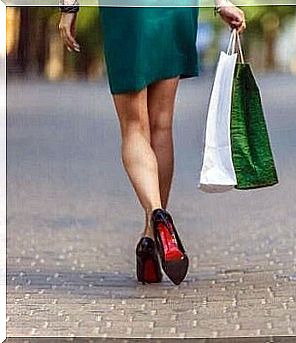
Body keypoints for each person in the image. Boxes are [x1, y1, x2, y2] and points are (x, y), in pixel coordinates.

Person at [58, 0, 246, 285]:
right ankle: (150, 241)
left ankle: (158, 215)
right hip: (176, 10)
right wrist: (221, 4)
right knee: (162, 126)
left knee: (134, 128)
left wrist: (69, 9)